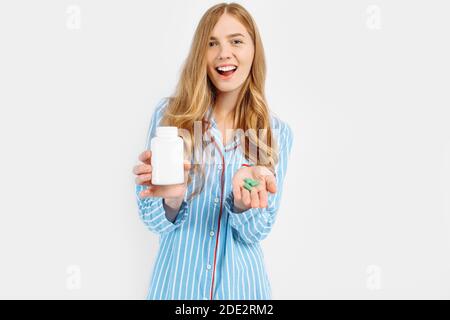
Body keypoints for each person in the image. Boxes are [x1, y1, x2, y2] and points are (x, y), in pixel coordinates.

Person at [132, 2, 293, 300]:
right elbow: (152, 221)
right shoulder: (170, 116)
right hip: (177, 290)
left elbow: (257, 232)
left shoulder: (276, 133)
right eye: (212, 43)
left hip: (243, 293)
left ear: (253, 50)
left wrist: (244, 205)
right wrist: (171, 197)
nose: (224, 53)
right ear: (200, 55)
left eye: (236, 41)